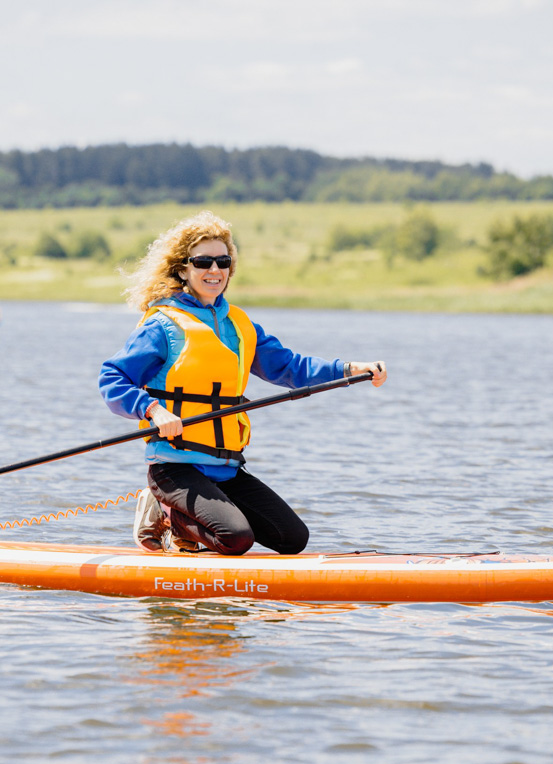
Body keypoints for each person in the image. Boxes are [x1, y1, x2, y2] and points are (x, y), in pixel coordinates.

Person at [99, 211, 387, 556]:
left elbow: (290, 366)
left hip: (226, 468)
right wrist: (153, 410)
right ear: (183, 269)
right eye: (203, 261)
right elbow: (112, 378)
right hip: (174, 467)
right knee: (236, 539)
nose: (215, 270)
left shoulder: (240, 325)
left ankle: (188, 520)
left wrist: (349, 369)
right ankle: (167, 515)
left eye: (223, 262)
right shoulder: (162, 325)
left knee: (292, 539)